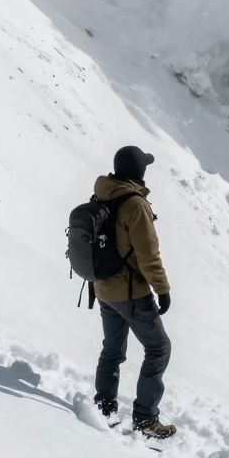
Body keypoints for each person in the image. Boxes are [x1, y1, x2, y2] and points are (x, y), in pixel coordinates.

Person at [92, 144, 175, 439]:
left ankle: (103, 405)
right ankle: (145, 418)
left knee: (112, 349)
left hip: (102, 288)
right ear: (139, 172)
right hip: (130, 293)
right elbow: (148, 255)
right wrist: (162, 290)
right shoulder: (135, 205)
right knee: (159, 348)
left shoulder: (103, 192)